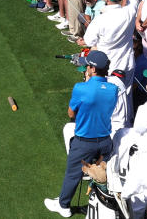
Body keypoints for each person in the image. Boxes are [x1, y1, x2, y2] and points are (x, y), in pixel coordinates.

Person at [44, 50, 117, 218]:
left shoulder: (81, 88)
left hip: (84, 143)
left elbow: (71, 113)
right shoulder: (113, 89)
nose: (85, 68)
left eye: (87, 66)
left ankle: (64, 206)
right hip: (105, 141)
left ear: (92, 69)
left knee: (73, 173)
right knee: (101, 174)